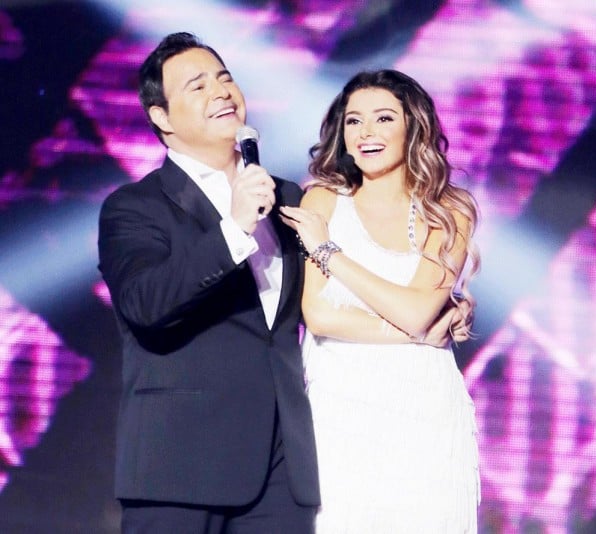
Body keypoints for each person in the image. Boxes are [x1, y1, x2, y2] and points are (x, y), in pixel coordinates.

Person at [97, 32, 321, 533]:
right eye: (197, 86)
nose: (221, 92)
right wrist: (233, 228)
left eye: (224, 79)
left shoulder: (288, 197)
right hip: (180, 465)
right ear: (161, 117)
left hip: (282, 469)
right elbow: (146, 303)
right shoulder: (135, 207)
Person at [280, 69, 481, 532]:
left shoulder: (449, 210)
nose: (366, 132)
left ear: (413, 127)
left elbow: (417, 311)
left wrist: (328, 252)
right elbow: (319, 315)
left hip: (424, 411)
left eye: (384, 118)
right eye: (354, 121)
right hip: (341, 411)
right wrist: (417, 332)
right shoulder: (322, 202)